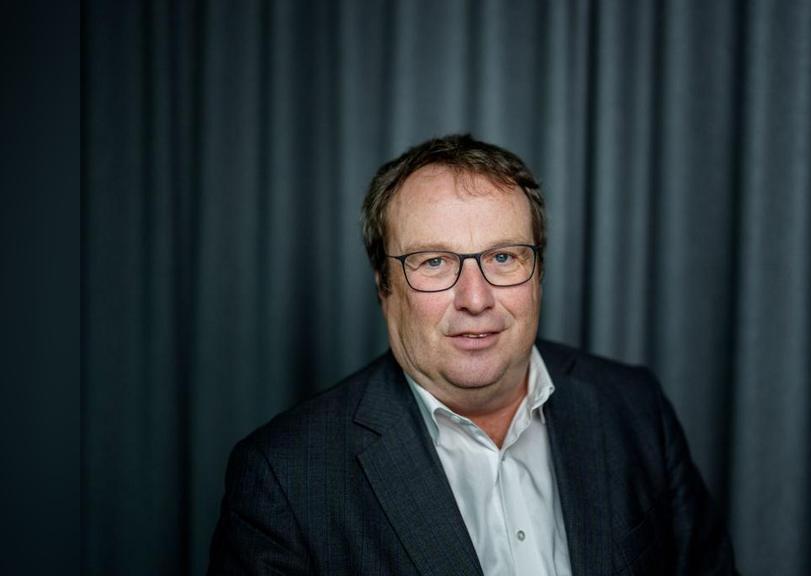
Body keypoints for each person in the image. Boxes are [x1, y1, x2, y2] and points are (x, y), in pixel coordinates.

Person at [208, 134, 739, 575]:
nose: (476, 298)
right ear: (384, 286)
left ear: (538, 273)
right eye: (434, 262)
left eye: (503, 257)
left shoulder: (634, 408)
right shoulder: (285, 476)